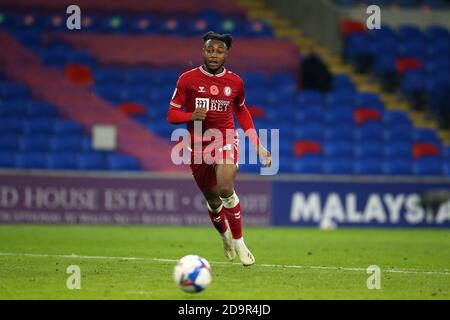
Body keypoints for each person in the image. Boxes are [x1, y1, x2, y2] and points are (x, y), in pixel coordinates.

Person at [166, 31, 272, 266]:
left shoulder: (235, 82)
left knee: (225, 188)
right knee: (214, 202)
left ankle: (240, 241)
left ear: (227, 54)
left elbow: (242, 111)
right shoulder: (187, 79)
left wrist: (257, 144)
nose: (214, 54)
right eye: (210, 50)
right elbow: (171, 114)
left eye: (219, 51)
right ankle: (224, 236)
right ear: (203, 51)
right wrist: (190, 115)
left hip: (224, 138)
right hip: (197, 144)